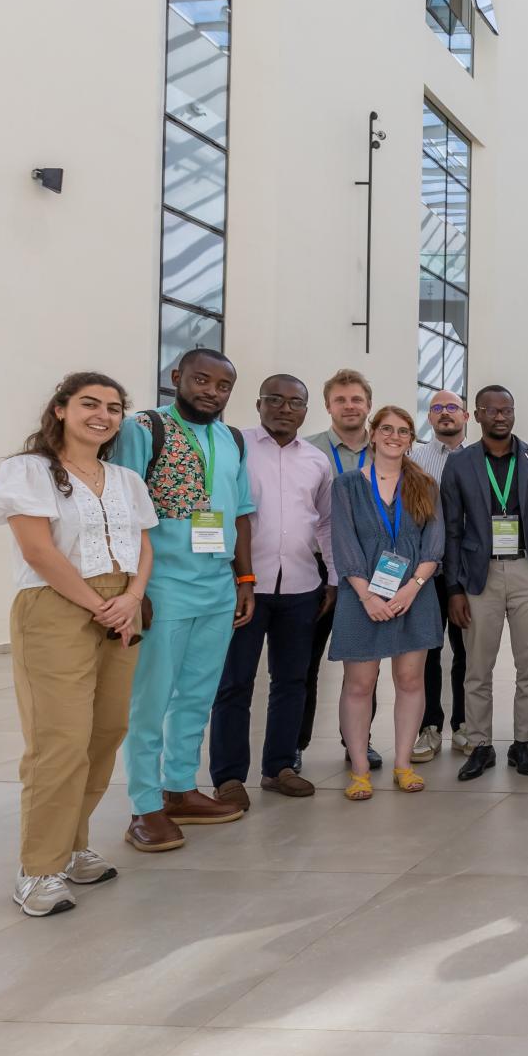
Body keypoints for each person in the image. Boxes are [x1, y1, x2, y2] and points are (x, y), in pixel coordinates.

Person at [0, 372, 157, 914]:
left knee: (105, 732)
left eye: (112, 407)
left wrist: (131, 597)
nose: (102, 414)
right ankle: (37, 869)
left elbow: (143, 546)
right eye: (89, 404)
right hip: (57, 607)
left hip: (121, 609)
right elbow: (40, 552)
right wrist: (98, 602)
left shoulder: (127, 479)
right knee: (60, 739)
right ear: (60, 409)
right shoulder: (28, 471)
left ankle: (74, 845)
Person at [109, 349, 255, 850]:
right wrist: (134, 588)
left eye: (222, 385)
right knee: (150, 700)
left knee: (197, 696)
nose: (211, 391)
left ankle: (179, 789)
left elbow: (240, 513)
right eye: (201, 380)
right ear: (177, 378)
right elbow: (121, 511)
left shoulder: (232, 438)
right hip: (162, 587)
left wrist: (245, 579)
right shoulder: (143, 429)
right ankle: (145, 805)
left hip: (216, 587)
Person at [207, 375, 333, 808]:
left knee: (292, 681)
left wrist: (332, 577)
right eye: (274, 400)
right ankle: (228, 777)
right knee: (234, 683)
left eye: (294, 402)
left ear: (305, 410)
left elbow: (325, 522)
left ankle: (280, 766)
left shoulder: (317, 460)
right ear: (259, 404)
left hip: (300, 586)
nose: (284, 408)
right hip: (245, 586)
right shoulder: (234, 445)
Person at [440, 385, 528, 781]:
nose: (500, 416)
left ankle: (522, 745)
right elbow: (451, 530)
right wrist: (454, 588)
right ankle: (480, 745)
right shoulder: (459, 464)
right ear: (476, 415)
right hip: (479, 576)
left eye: (506, 409)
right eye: (491, 410)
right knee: (477, 667)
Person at [328, 406, 444, 798]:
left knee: (410, 681)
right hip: (361, 598)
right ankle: (359, 769)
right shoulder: (346, 486)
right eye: (388, 429)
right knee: (359, 684)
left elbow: (434, 544)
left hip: (416, 596)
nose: (395, 436)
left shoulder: (425, 484)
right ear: (373, 434)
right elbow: (343, 545)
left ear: (412, 440)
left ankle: (403, 764)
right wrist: (368, 595)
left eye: (404, 431)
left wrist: (412, 587)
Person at [302, 368, 380, 770]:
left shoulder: (388, 448)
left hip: (372, 573)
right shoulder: (307, 450)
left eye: (357, 400)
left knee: (367, 665)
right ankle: (293, 748)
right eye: (341, 400)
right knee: (303, 662)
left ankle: (359, 744)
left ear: (368, 404)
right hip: (317, 572)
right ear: (328, 405)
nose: (350, 406)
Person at [411, 390, 469, 762]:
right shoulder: (414, 460)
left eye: (452, 408)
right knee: (427, 654)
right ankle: (428, 726)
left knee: (466, 653)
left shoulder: (479, 459)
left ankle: (463, 725)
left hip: (466, 572)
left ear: (466, 416)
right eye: (437, 409)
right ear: (429, 417)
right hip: (427, 573)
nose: (445, 414)